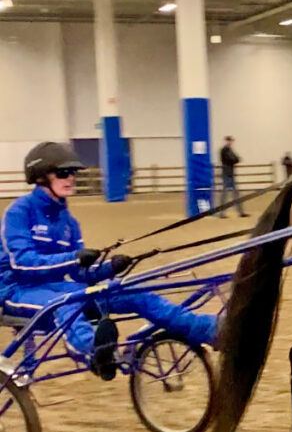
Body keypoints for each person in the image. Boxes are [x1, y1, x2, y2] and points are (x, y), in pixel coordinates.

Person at [0, 142, 218, 380]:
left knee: (133, 292)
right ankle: (94, 351)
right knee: (67, 304)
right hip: (17, 290)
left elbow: (81, 274)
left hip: (59, 287)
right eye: (63, 173)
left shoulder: (69, 222)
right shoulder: (19, 212)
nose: (71, 178)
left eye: (73, 173)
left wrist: (109, 267)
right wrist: (73, 258)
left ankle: (207, 329)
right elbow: (23, 263)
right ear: (41, 177)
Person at [218, 135, 248, 218]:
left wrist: (235, 159)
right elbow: (233, 159)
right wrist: (235, 159)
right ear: (226, 141)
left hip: (230, 174)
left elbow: (236, 159)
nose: (230, 142)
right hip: (226, 174)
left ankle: (240, 212)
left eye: (231, 141)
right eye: (229, 141)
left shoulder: (230, 150)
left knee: (235, 194)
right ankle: (222, 213)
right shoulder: (224, 150)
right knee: (225, 194)